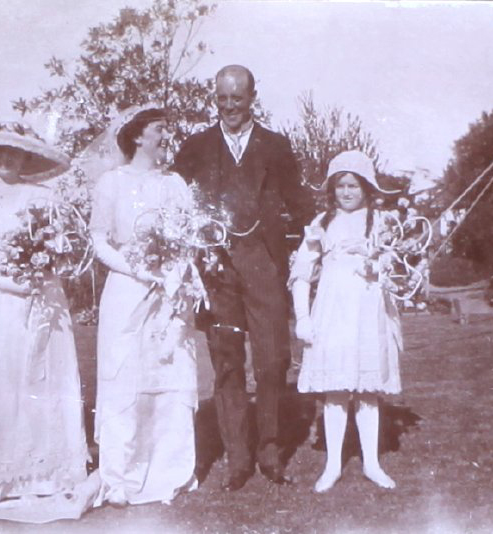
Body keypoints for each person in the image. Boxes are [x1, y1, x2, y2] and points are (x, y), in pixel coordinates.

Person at [173, 64, 313, 490]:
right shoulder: (196, 146)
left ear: (253, 96)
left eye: (237, 97)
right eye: (222, 98)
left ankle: (270, 452)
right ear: (214, 99)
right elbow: (178, 205)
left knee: (272, 361)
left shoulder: (275, 145)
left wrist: (319, 243)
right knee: (228, 362)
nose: (229, 106)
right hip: (217, 270)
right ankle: (238, 460)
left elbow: (299, 202)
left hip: (263, 264)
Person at [0, 123, 93, 522]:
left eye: (14, 153)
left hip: (45, 301)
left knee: (43, 380)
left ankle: (47, 472)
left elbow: (61, 251)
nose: (6, 160)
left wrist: (43, 273)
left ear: (26, 158)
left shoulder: (46, 197)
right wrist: (8, 283)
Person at [89, 106, 198, 506]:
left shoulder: (176, 184)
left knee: (168, 371)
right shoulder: (111, 183)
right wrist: (139, 271)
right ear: (137, 137)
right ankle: (121, 474)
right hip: (128, 291)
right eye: (159, 130)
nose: (167, 136)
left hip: (170, 292)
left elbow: (188, 238)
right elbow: (100, 240)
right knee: (126, 377)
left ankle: (170, 467)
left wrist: (172, 274)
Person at [290, 150, 402, 493]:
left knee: (368, 391)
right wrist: (303, 317)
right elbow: (301, 274)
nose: (347, 192)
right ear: (332, 189)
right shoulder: (322, 223)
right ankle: (333, 463)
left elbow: (392, 271)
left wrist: (375, 260)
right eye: (341, 186)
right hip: (334, 312)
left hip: (368, 313)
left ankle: (371, 462)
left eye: (354, 185)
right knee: (336, 390)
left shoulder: (380, 223)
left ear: (367, 187)